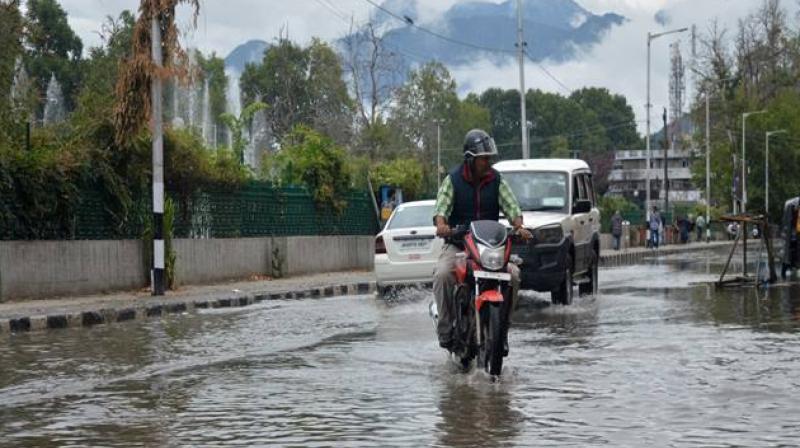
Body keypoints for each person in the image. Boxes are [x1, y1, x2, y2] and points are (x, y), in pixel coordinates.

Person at [432, 129, 532, 350]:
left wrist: (519, 226)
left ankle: (502, 330)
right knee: (442, 274)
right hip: (459, 246)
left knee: (514, 275)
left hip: (489, 249)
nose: (488, 163)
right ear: (470, 159)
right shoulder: (453, 180)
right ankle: (446, 329)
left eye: (489, 158)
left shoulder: (496, 180)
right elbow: (442, 209)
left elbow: (511, 206)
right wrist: (442, 225)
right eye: (483, 159)